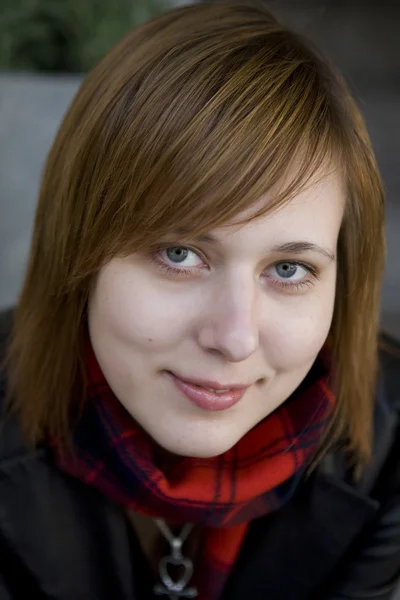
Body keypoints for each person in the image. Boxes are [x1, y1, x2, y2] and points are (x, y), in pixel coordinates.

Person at [0, 1, 399, 598]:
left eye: (288, 268)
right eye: (180, 254)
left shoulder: (391, 446)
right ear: (77, 250)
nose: (235, 337)